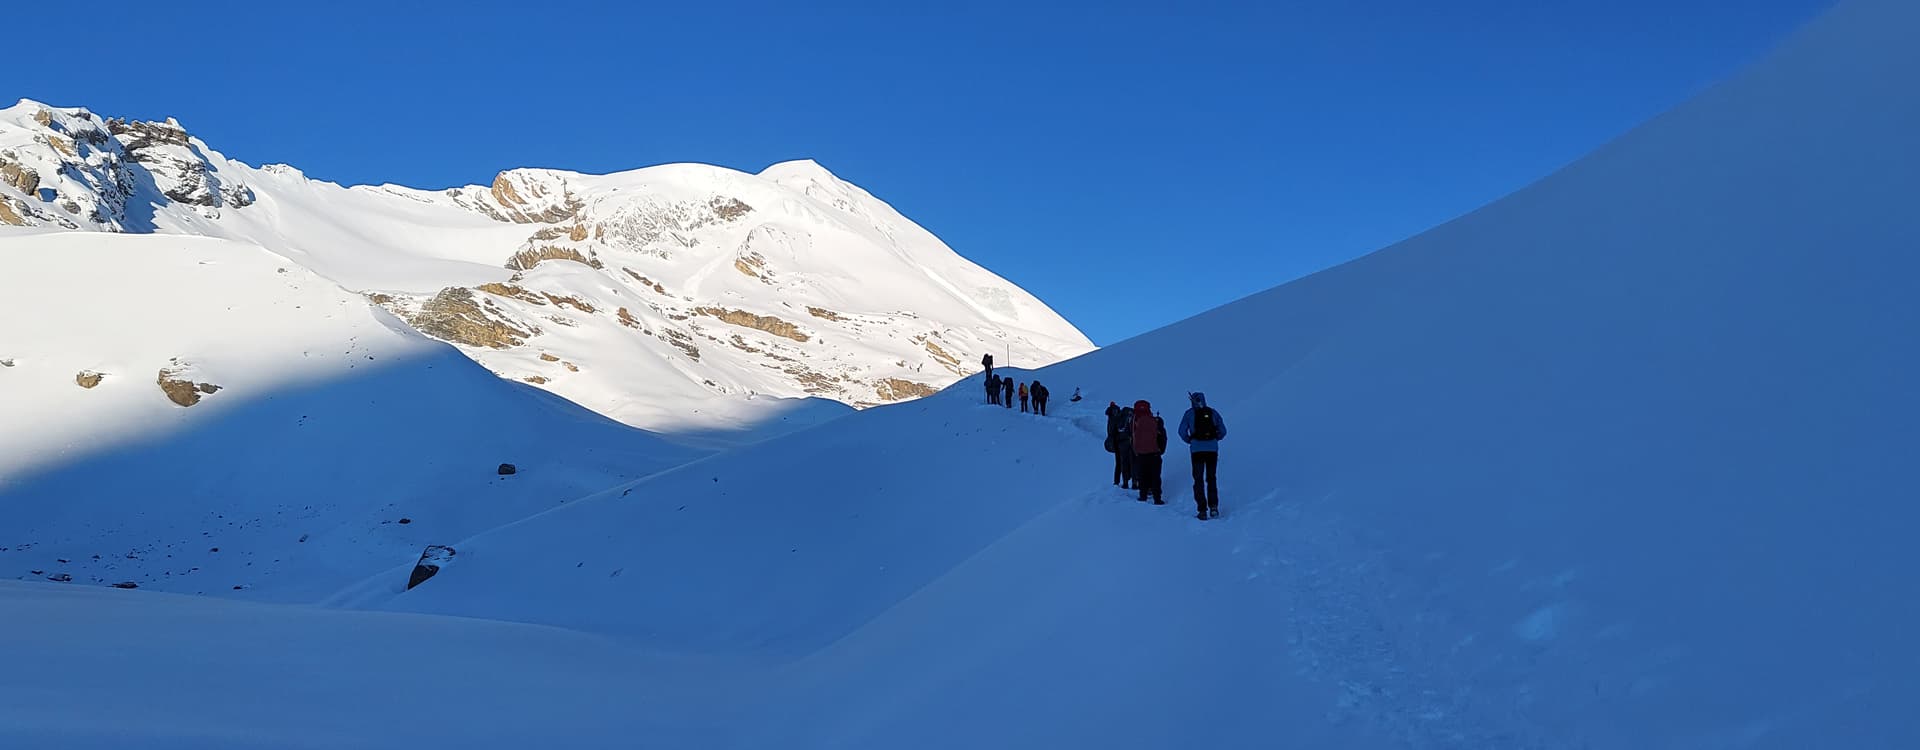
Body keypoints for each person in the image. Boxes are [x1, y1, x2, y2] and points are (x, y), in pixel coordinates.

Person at [1178, 392, 1228, 519]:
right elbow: (1223, 431)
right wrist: (1215, 439)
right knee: (1211, 478)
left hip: (1196, 451)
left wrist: (1190, 440)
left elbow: (1181, 431)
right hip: (1212, 450)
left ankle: (1202, 510)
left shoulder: (1189, 414)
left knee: (1198, 479)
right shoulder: (1212, 412)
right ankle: (1214, 507)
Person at [1129, 400, 1167, 504]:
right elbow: (1163, 437)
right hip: (1155, 453)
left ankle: (1143, 496)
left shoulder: (1135, 420)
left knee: (1143, 475)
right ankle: (1157, 498)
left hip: (1141, 454)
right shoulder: (1156, 420)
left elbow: (1133, 437)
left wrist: (1136, 451)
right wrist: (1161, 450)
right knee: (1155, 476)